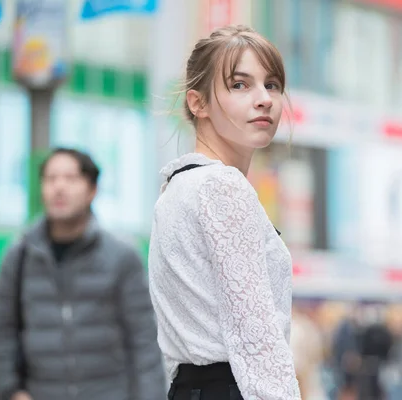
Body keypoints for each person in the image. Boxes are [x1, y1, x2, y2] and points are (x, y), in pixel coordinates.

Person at [148, 25, 301, 400]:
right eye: (239, 84)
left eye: (273, 84)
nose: (264, 99)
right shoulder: (222, 187)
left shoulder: (177, 187)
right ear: (197, 103)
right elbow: (256, 334)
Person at [0, 148, 166, 400]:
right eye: (51, 179)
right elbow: (3, 334)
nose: (59, 187)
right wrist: (11, 390)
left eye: (70, 179)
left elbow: (143, 343)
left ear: (92, 190)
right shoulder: (18, 257)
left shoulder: (121, 257)